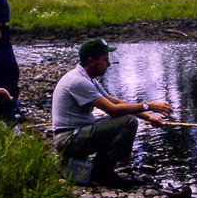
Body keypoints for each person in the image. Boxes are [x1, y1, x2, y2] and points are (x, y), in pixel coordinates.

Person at [51, 38, 173, 189]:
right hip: (68, 140)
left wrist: (149, 116)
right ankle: (104, 173)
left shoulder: (87, 79)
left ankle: (98, 170)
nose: (108, 64)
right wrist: (148, 105)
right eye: (105, 60)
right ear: (91, 61)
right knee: (128, 121)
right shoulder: (78, 81)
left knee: (125, 119)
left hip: (75, 134)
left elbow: (116, 102)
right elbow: (113, 110)